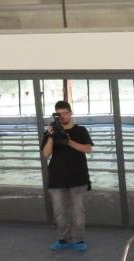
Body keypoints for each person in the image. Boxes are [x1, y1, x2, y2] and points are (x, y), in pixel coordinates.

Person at [41, 100, 94, 252]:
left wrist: (69, 142)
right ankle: (63, 239)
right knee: (59, 212)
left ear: (70, 113)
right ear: (55, 115)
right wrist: (51, 136)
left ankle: (78, 239)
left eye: (65, 113)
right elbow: (46, 154)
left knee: (78, 212)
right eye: (59, 114)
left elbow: (88, 149)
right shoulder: (50, 132)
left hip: (78, 178)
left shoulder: (81, 131)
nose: (63, 117)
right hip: (57, 179)